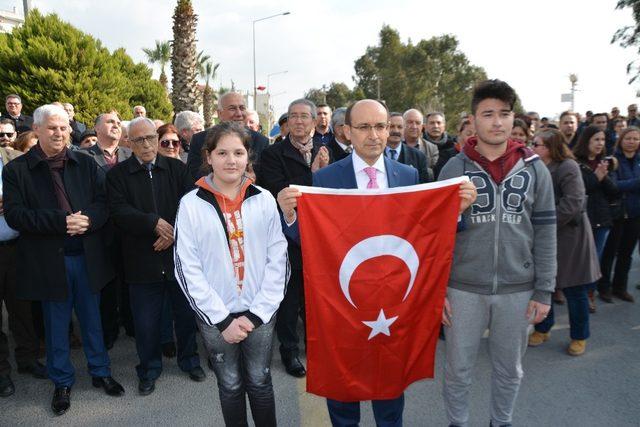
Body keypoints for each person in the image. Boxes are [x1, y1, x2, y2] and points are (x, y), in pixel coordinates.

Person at [277, 99, 476, 427]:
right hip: (345, 306)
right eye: (364, 127)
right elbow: (311, 239)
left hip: (394, 306)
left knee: (390, 390)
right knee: (342, 390)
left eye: (380, 126)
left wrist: (456, 210)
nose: (374, 135)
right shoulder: (327, 178)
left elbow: (426, 232)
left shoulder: (408, 174)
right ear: (348, 132)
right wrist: (289, 214)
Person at [438, 79, 556, 427]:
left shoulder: (535, 169)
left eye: (504, 114)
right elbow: (436, 237)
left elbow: (546, 231)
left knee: (510, 369)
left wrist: (544, 289)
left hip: (518, 289)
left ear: (513, 119)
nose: (497, 122)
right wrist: (438, 289)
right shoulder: (454, 169)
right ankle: (457, 423)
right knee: (457, 369)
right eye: (488, 114)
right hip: (462, 289)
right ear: (473, 121)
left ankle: (500, 422)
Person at [2, 104, 124, 415]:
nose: (60, 133)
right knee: (56, 325)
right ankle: (62, 382)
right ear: (38, 130)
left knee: (92, 319)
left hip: (87, 255)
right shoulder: (16, 170)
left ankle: (101, 372)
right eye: (53, 128)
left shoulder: (85, 162)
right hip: (49, 260)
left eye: (64, 127)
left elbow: (103, 202)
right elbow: (16, 216)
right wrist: (61, 222)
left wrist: (89, 221)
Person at [174, 121, 288, 427]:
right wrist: (222, 319)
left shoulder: (263, 198)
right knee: (231, 384)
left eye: (238, 152)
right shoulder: (190, 205)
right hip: (215, 317)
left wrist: (257, 314)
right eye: (222, 152)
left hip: (259, 313)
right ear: (208, 157)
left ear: (248, 157)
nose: (231, 160)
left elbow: (278, 259)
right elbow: (187, 268)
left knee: (260, 381)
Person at [107, 117, 203, 395]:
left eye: (151, 138)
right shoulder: (117, 175)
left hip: (178, 258)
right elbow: (118, 210)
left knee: (185, 318)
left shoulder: (176, 168)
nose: (147, 145)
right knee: (146, 324)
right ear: (129, 143)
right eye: (139, 140)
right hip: (141, 260)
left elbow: (192, 204)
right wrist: (152, 222)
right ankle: (148, 369)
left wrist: (172, 232)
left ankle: (189, 361)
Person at [257, 99, 330, 378]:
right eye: (294, 116)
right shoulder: (273, 154)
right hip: (289, 238)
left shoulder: (329, 150)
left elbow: (338, 189)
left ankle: (316, 346)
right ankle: (289, 351)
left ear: (314, 121)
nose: (299, 121)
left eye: (305, 116)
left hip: (324, 239)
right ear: (287, 122)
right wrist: (313, 177)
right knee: (288, 300)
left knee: (317, 299)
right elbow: (278, 191)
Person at [528, 129, 600, 356]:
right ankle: (543, 328)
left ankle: (579, 336)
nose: (532, 147)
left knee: (574, 291)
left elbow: (574, 203)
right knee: (545, 286)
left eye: (537, 144)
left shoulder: (568, 166)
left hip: (570, 238)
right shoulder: (537, 166)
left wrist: (543, 223)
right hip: (546, 237)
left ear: (550, 147)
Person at [0, 143, 46, 398]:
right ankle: (1, 371)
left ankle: (27, 358)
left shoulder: (15, 158)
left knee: (22, 307)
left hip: (19, 245)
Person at [571, 125, 619, 311]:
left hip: (602, 219)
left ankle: (589, 294)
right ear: (586, 141)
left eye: (602, 140)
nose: (600, 144)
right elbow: (578, 190)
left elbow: (615, 191)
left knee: (595, 261)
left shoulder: (606, 162)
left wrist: (604, 177)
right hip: (580, 220)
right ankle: (572, 292)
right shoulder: (574, 162)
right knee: (577, 260)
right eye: (596, 140)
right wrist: (596, 178)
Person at [598, 126, 640, 303]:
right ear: (621, 140)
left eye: (635, 139)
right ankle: (604, 287)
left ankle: (620, 287)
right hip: (616, 213)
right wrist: (637, 182)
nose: (632, 142)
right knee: (609, 252)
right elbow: (615, 186)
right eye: (628, 138)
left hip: (636, 213)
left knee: (627, 253)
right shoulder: (612, 160)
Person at [187, 92, 269, 181]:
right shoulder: (199, 140)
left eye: (242, 108)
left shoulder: (261, 141)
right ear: (220, 113)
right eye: (232, 109)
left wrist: (253, 180)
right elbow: (193, 175)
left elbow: (266, 177)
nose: (239, 113)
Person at [386, 112, 432, 183]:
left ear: (404, 129)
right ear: (385, 128)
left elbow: (423, 187)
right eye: (391, 126)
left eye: (400, 127)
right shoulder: (374, 154)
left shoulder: (419, 157)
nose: (396, 131)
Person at [424, 112, 457, 178]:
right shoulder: (420, 144)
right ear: (425, 126)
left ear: (444, 126)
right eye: (432, 123)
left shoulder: (453, 145)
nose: (435, 126)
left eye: (438, 123)